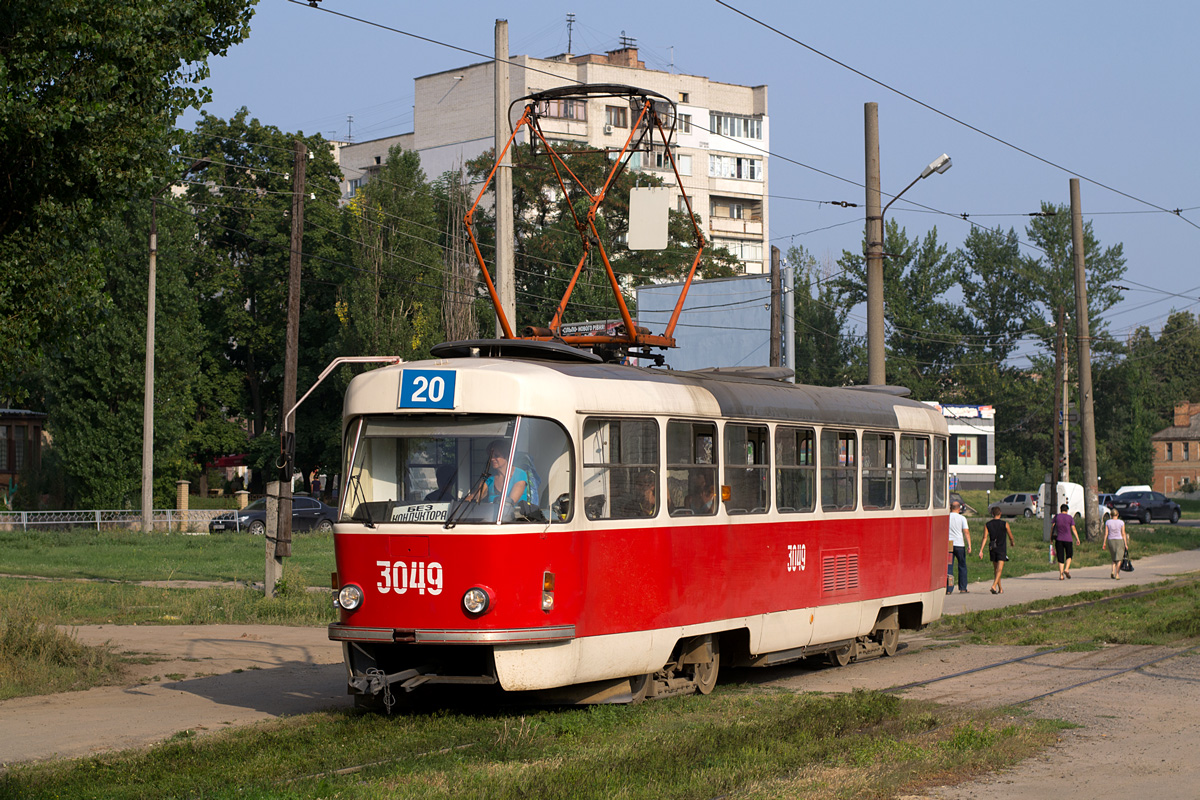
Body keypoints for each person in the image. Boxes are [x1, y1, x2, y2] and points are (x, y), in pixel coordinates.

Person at [466, 440, 528, 504]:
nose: (492, 459)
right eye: (491, 456)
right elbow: (476, 496)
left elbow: (511, 502)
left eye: (496, 456)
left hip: (513, 514)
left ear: (507, 456)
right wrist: (460, 504)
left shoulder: (520, 474)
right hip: (491, 514)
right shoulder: (489, 478)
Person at [978, 505, 1015, 594]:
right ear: (1000, 514)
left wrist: (981, 550)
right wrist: (1012, 542)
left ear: (992, 514)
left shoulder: (988, 525)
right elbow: (1010, 535)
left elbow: (984, 537)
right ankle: (994, 586)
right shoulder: (1005, 524)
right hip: (1001, 549)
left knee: (996, 570)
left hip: (992, 549)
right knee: (999, 570)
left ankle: (1000, 589)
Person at [947, 500, 972, 594]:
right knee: (962, 566)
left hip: (949, 543)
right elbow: (966, 532)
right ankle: (962, 588)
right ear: (959, 508)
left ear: (951, 508)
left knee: (949, 566)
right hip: (959, 544)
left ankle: (949, 589)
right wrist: (969, 544)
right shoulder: (962, 518)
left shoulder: (947, 517)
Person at [1052, 503, 1081, 579]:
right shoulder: (1070, 518)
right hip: (1068, 539)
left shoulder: (1057, 517)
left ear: (1061, 510)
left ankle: (1061, 575)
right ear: (1067, 510)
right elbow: (1073, 529)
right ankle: (1066, 569)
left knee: (1060, 556)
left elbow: (1052, 527)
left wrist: (1051, 538)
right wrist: (1077, 538)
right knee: (1069, 555)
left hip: (1059, 539)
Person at [1104, 505, 1130, 580]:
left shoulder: (1107, 522)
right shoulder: (1121, 522)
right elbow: (1123, 533)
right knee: (1119, 559)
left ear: (1111, 515)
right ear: (1118, 515)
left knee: (1113, 558)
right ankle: (1117, 574)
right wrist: (1126, 544)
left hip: (1110, 540)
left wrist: (1104, 543)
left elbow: (1106, 533)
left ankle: (1112, 571)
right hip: (1119, 540)